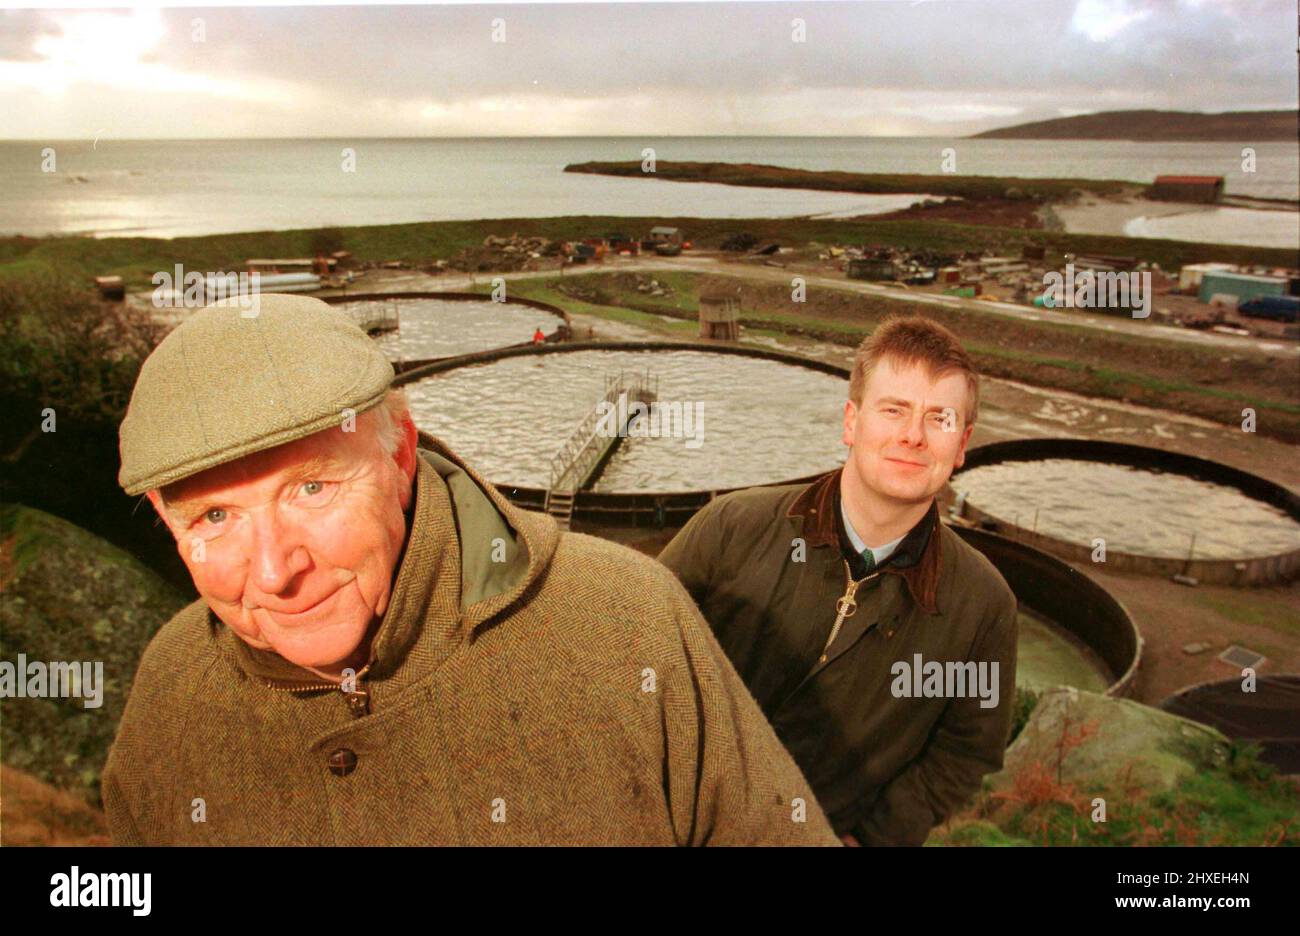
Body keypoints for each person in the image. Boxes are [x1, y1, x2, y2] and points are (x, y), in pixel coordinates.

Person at [102, 293, 837, 846]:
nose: (273, 571)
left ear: (399, 453)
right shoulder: (170, 690)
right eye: (215, 517)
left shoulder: (626, 623)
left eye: (312, 488)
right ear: (167, 521)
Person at [659, 316, 1018, 846]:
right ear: (851, 422)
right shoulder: (730, 529)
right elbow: (634, 656)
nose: (912, 436)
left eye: (939, 418)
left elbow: (966, 753)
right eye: (893, 409)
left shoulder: (983, 607)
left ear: (962, 444)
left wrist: (869, 840)